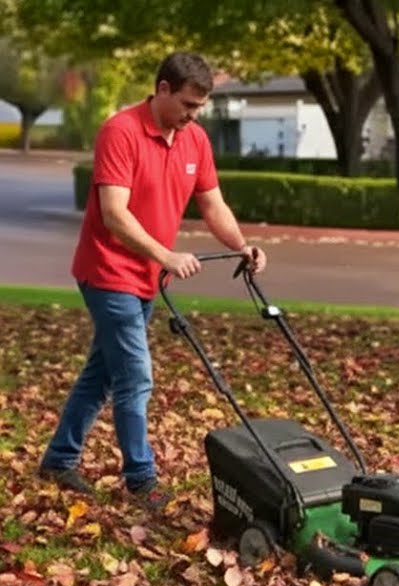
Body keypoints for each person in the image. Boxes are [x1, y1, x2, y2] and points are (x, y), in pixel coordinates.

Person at [38, 51, 267, 510]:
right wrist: (166, 255)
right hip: (107, 270)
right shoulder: (120, 132)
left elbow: (213, 204)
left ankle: (59, 459)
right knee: (135, 377)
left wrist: (243, 245)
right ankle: (141, 480)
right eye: (187, 104)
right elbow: (114, 215)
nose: (193, 115)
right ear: (163, 89)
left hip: (146, 274)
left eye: (200, 108)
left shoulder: (194, 140)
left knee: (102, 373)